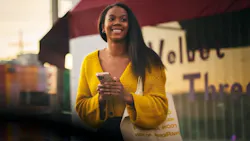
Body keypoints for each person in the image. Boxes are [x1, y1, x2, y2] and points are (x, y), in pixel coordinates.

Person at [75, 2, 168, 141]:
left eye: (123, 19)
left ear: (130, 27)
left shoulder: (149, 60)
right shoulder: (89, 61)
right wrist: (99, 100)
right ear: (103, 27)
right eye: (111, 19)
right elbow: (81, 106)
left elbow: (160, 108)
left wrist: (128, 97)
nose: (117, 23)